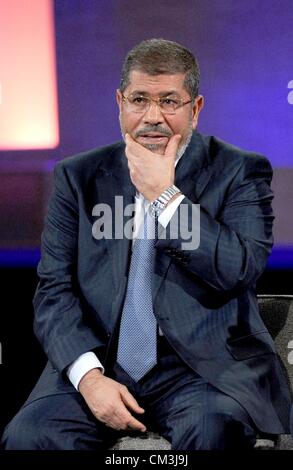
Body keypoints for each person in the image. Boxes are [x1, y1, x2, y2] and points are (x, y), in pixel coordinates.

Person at [1, 38, 291, 450]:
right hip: (101, 362)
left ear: (197, 108)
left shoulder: (239, 171)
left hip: (203, 370)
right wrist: (89, 377)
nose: (153, 116)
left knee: (213, 431)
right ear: (120, 101)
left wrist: (167, 198)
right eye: (139, 99)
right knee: (30, 437)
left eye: (170, 101)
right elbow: (53, 290)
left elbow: (238, 268)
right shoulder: (78, 178)